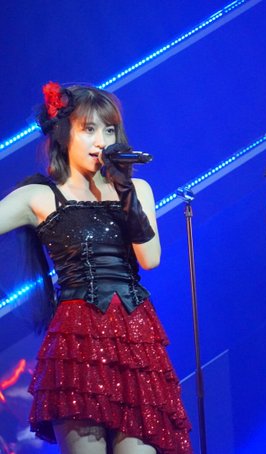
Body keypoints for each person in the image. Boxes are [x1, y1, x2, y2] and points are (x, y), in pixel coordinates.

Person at [0, 82, 192, 453]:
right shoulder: (39, 195)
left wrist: (126, 192)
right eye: (89, 129)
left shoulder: (137, 189)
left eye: (109, 130)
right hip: (78, 342)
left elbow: (150, 259)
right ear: (63, 133)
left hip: (136, 339)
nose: (101, 141)